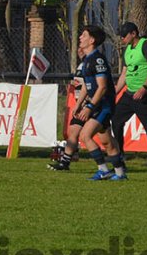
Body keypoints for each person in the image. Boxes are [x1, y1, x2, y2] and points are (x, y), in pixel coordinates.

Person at [50, 26, 125, 179]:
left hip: (103, 105)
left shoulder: (97, 60)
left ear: (92, 40)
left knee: (85, 135)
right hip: (96, 104)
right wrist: (78, 105)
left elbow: (103, 87)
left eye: (83, 35)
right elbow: (87, 84)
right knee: (107, 142)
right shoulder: (87, 60)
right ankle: (120, 173)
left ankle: (103, 170)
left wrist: (90, 107)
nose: (80, 38)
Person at [112, 21, 147, 166]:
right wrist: (116, 91)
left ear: (133, 34)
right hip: (129, 93)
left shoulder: (145, 45)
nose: (122, 39)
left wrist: (144, 88)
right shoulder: (127, 49)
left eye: (124, 36)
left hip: (143, 93)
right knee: (116, 120)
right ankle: (119, 153)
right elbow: (124, 73)